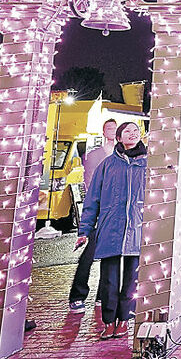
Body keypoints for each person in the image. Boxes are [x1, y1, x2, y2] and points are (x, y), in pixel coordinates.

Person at [75, 122, 146, 340]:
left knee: (131, 279)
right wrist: (84, 229)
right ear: (118, 137)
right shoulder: (107, 165)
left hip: (137, 229)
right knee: (109, 280)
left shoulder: (148, 165)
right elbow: (93, 198)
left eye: (136, 131)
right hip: (110, 230)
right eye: (127, 132)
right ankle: (108, 321)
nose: (132, 135)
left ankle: (124, 320)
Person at [68, 118, 118, 314]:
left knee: (112, 254)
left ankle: (102, 294)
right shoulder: (94, 155)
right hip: (99, 209)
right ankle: (78, 294)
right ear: (103, 131)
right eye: (109, 128)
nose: (112, 131)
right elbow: (90, 183)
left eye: (115, 128)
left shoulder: (123, 155)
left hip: (117, 211)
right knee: (89, 252)